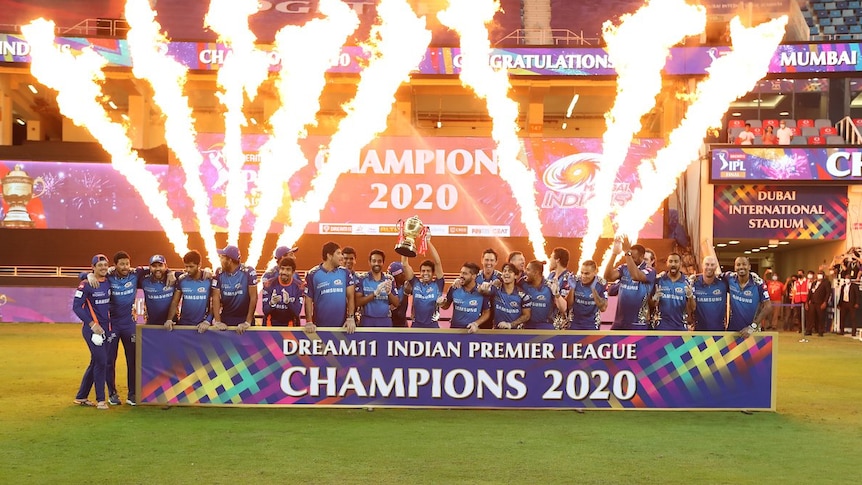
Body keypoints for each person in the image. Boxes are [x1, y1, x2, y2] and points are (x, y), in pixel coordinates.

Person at [83, 250, 138, 406]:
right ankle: (112, 393)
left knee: (133, 360)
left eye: (127, 263)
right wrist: (88, 275)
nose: (125, 266)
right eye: (122, 264)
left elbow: (156, 271)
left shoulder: (135, 275)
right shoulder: (108, 276)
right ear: (115, 265)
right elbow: (84, 275)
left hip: (129, 325)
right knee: (109, 361)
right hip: (112, 325)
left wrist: (169, 273)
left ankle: (132, 394)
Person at [72, 254, 111, 410]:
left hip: (107, 329)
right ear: (93, 267)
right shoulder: (86, 284)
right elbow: (76, 307)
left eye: (105, 265)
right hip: (92, 331)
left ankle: (81, 396)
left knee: (95, 361)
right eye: (99, 265)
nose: (103, 268)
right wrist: (92, 324)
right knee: (102, 361)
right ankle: (101, 400)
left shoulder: (109, 282)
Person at [604, 239, 656, 331]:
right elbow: (608, 277)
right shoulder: (624, 268)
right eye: (629, 256)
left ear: (641, 256)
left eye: (633, 257)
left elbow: (635, 276)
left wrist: (627, 253)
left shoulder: (650, 271)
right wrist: (614, 254)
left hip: (638, 323)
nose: (630, 258)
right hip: (619, 322)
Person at [304, 241, 356, 333]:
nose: (342, 257)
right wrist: (309, 321)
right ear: (329, 256)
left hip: (342, 328)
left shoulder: (345, 273)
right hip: (319, 328)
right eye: (338, 253)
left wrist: (350, 317)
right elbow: (308, 299)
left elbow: (351, 297)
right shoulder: (313, 274)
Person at [211, 245, 258, 335]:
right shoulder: (219, 272)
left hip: (244, 318)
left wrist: (247, 322)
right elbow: (215, 297)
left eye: (222, 257)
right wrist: (218, 321)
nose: (220, 260)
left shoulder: (248, 271)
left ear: (230, 260)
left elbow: (254, 297)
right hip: (226, 318)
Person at [164, 250, 213, 333]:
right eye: (186, 266)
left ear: (199, 265)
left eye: (191, 266)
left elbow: (215, 303)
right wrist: (169, 319)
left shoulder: (209, 280)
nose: (188, 270)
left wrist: (207, 321)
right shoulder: (182, 279)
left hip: (202, 326)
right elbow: (175, 302)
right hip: (184, 325)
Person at [402, 240, 445, 329]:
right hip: (416, 325)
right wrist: (407, 241)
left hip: (432, 326)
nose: (425, 273)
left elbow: (437, 262)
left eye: (428, 271)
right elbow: (405, 264)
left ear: (433, 272)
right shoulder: (415, 283)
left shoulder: (438, 284)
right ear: (420, 272)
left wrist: (428, 241)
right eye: (423, 271)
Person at [725, 257, 771, 337]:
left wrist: (752, 327)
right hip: (732, 331)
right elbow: (712, 276)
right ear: (735, 267)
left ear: (749, 267)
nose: (741, 267)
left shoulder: (758, 283)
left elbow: (768, 306)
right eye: (738, 265)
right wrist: (695, 277)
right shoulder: (729, 278)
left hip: (751, 332)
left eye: (744, 264)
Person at [440, 262, 490, 333]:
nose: (461, 276)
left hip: (472, 332)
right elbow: (446, 306)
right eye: (461, 273)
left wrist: (476, 324)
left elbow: (487, 312)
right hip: (454, 331)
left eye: (465, 274)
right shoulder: (454, 288)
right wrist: (441, 303)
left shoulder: (481, 291)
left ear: (473, 276)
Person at [650, 253, 695, 331]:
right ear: (667, 263)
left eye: (676, 261)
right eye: (670, 261)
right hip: (662, 327)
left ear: (681, 263)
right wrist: (654, 299)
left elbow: (693, 308)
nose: (673, 264)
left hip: (680, 328)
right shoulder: (659, 280)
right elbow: (651, 305)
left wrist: (690, 296)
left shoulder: (688, 282)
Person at [354, 250, 399, 327]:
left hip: (385, 320)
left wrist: (389, 293)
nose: (376, 263)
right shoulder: (362, 278)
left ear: (383, 263)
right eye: (374, 261)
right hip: (367, 320)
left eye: (379, 261)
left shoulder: (389, 279)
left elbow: (396, 303)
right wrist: (374, 294)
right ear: (369, 262)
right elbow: (357, 302)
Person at [689, 255, 728, 331]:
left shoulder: (724, 283)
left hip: (719, 333)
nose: (709, 267)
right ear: (702, 266)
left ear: (716, 267)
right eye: (707, 264)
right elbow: (690, 307)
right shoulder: (693, 283)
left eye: (712, 265)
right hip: (698, 333)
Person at [262, 256, 304, 326]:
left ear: (293, 272)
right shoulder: (268, 284)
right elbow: (265, 311)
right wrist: (272, 303)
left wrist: (288, 302)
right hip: (270, 325)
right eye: (282, 269)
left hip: (290, 326)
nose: (284, 272)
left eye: (288, 269)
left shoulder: (299, 286)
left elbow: (297, 312)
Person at [567, 260, 608, 331]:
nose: (583, 276)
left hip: (592, 324)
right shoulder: (575, 280)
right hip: (574, 324)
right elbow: (569, 305)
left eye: (587, 274)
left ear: (595, 272)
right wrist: (572, 288)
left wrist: (593, 289)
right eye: (582, 273)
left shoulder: (602, 283)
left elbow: (603, 308)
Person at [488, 263, 531, 330]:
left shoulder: (523, 295)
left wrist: (510, 325)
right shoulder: (495, 290)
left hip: (516, 333)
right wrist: (483, 288)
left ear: (516, 276)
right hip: (497, 331)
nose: (506, 273)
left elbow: (527, 315)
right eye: (504, 271)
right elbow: (484, 293)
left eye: (510, 271)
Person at [522, 260, 563, 330]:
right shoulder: (523, 284)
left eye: (528, 270)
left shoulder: (550, 286)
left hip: (546, 327)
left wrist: (557, 294)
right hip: (528, 327)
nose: (525, 272)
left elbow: (563, 309)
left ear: (536, 273)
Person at [138, 255, 177, 326]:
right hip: (152, 324)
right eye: (154, 266)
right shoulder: (143, 280)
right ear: (149, 267)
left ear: (166, 266)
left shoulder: (175, 278)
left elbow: (191, 273)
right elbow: (130, 272)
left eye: (160, 265)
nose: (157, 269)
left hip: (172, 324)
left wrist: (171, 272)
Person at [548, 247, 573, 329]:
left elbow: (564, 307)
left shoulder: (568, 278)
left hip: (560, 324)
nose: (549, 259)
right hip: (548, 321)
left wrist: (556, 294)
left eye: (551, 257)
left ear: (557, 260)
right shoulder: (551, 275)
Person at [806, 270, 830, 337]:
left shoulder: (826, 283)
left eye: (821, 274)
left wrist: (825, 302)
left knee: (821, 317)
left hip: (821, 302)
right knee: (810, 317)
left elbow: (828, 293)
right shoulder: (814, 283)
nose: (819, 275)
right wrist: (807, 302)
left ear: (823, 275)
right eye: (818, 274)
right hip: (813, 302)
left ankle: (820, 331)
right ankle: (809, 330)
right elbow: (810, 292)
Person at [388, 261, 410, 328]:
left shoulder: (403, 285)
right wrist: (406, 294)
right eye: (403, 273)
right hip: (395, 326)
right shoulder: (389, 290)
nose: (405, 274)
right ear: (397, 276)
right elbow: (400, 314)